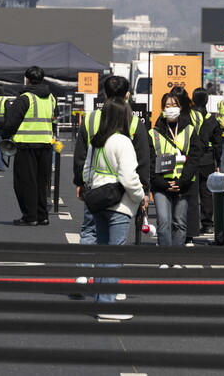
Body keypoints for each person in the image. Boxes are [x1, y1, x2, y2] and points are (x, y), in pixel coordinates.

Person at [70, 75, 149, 298]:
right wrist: (143, 191)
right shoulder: (133, 122)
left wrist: (81, 183)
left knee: (90, 232)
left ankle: (85, 275)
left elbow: (81, 155)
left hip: (95, 189)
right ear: (127, 95)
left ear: (104, 94)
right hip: (120, 195)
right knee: (115, 248)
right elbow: (142, 160)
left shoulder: (91, 120)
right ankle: (108, 295)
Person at [83, 97, 144, 320]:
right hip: (118, 204)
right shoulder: (123, 141)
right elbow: (128, 176)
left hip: (98, 200)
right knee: (114, 255)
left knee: (101, 251)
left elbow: (87, 172)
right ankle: (107, 305)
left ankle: (100, 300)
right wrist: (139, 196)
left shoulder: (96, 140)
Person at [2, 66, 58, 226]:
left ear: (27, 79)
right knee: (41, 182)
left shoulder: (25, 98)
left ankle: (30, 216)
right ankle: (42, 215)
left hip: (26, 145)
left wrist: (5, 136)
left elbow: (12, 122)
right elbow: (54, 119)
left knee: (25, 182)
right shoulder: (51, 98)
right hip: (45, 145)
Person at [149, 93, 200, 248]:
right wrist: (163, 183)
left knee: (179, 222)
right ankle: (164, 256)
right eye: (168, 105)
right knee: (163, 221)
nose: (171, 108)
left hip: (183, 184)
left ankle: (177, 257)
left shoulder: (190, 130)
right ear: (162, 108)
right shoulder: (153, 133)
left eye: (174, 105)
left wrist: (182, 181)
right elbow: (150, 162)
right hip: (161, 184)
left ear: (180, 107)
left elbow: (194, 158)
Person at [188, 88, 219, 238]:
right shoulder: (211, 119)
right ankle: (207, 224)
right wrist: (218, 162)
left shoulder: (189, 117)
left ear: (193, 100)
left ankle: (190, 225)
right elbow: (217, 143)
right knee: (206, 193)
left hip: (190, 160)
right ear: (207, 101)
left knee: (191, 193)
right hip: (207, 160)